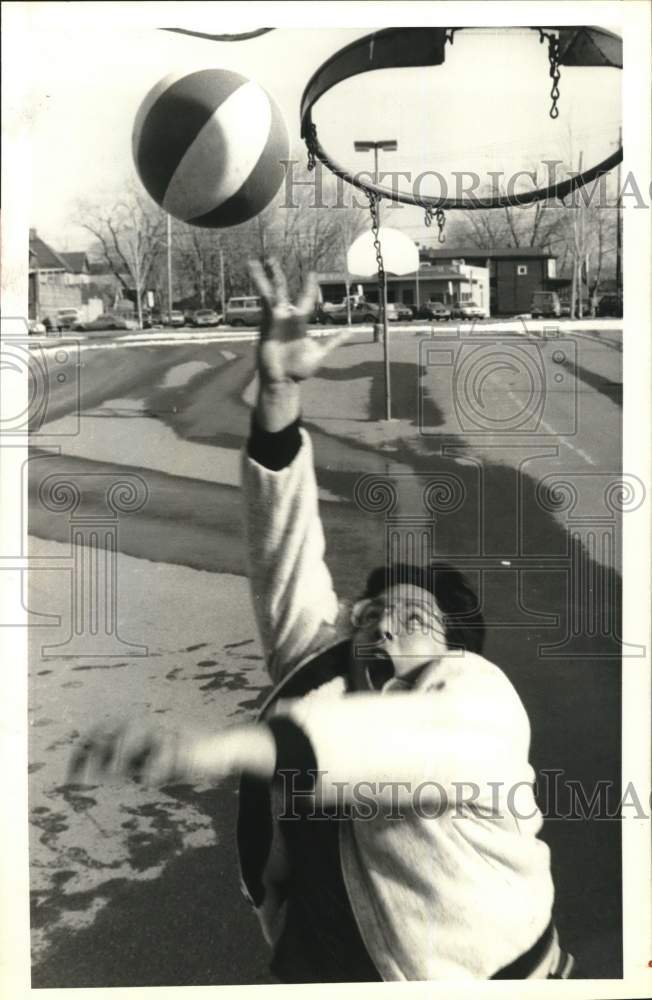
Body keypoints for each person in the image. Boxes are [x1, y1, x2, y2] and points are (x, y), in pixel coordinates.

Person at [72, 260, 573, 982]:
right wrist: (276, 392)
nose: (380, 621)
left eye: (411, 615)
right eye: (370, 609)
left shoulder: (476, 698)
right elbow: (284, 543)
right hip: (315, 965)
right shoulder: (327, 665)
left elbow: (395, 745)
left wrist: (216, 749)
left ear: (454, 647)